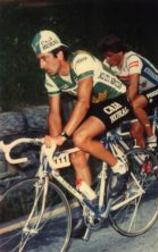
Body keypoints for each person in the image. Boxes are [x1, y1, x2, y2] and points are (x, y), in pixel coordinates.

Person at [31, 30, 133, 237]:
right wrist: (54, 142)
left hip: (116, 100)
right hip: (95, 108)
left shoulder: (81, 61)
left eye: (44, 58)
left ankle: (120, 167)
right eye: (38, 60)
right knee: (77, 154)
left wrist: (63, 136)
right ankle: (89, 208)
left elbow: (84, 101)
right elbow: (54, 113)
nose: (41, 65)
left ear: (59, 54)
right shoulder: (51, 77)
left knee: (79, 138)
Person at [99, 35, 158, 149]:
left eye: (110, 55)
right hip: (142, 94)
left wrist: (123, 105)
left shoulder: (132, 59)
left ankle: (152, 137)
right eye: (105, 56)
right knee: (135, 132)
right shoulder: (108, 64)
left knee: (134, 104)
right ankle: (146, 162)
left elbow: (133, 88)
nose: (107, 59)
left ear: (120, 52)